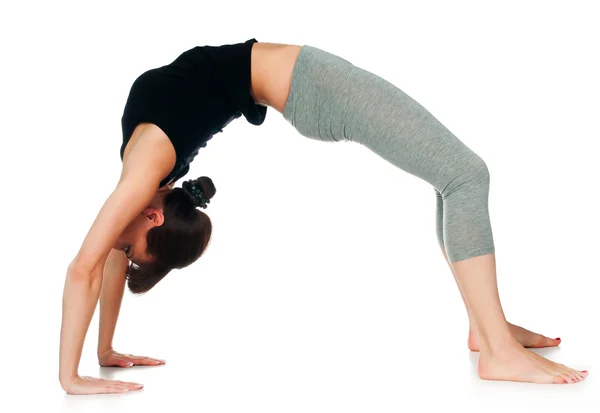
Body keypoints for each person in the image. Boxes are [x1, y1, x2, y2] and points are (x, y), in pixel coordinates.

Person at [58, 38, 588, 395]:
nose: (117, 245)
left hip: (310, 84)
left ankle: (487, 330)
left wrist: (81, 369)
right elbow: (100, 261)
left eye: (129, 249)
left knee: (456, 177)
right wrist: (91, 361)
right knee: (464, 175)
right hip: (313, 87)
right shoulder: (145, 176)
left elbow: (88, 264)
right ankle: (496, 347)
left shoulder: (143, 172)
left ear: (152, 218)